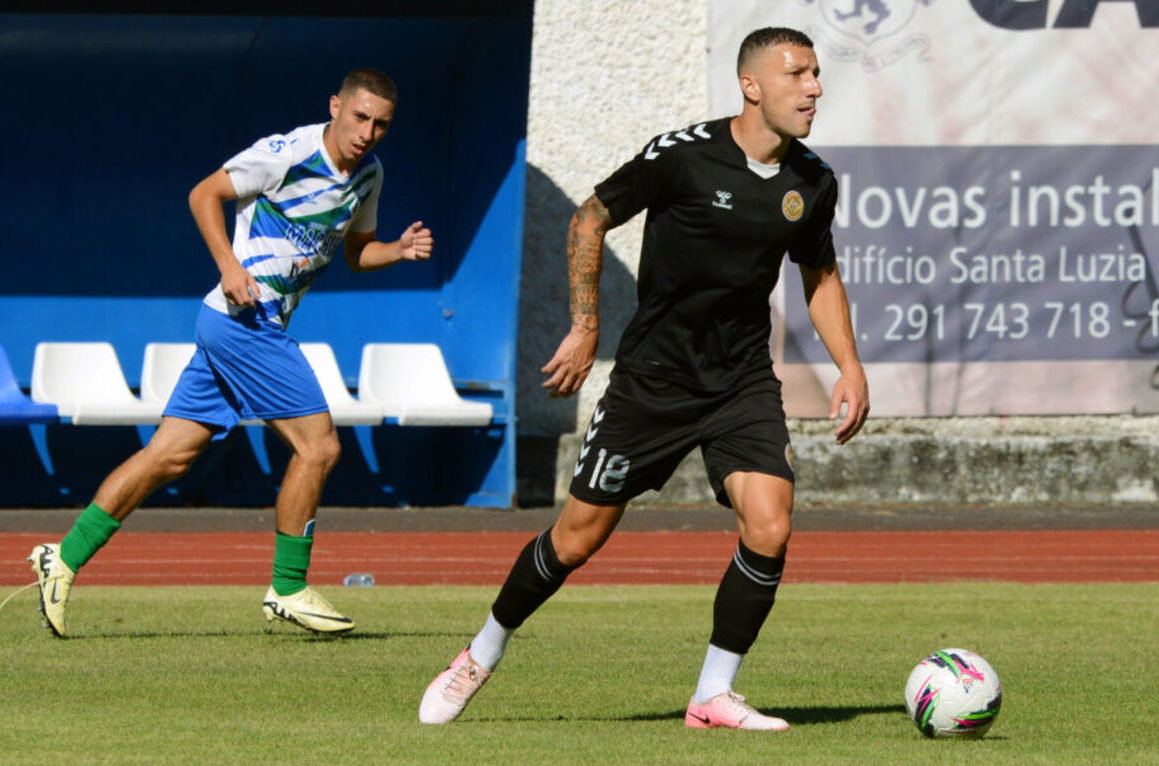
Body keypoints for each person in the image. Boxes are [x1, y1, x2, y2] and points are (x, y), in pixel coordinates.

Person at [419, 27, 869, 729]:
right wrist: (586, 324)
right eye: (797, 75)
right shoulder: (683, 157)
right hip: (652, 383)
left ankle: (713, 694)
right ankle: (479, 653)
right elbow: (590, 218)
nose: (814, 87)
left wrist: (850, 365)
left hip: (741, 382)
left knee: (770, 524)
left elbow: (820, 273)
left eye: (816, 74)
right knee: (576, 539)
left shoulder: (813, 181)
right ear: (751, 85)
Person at [28, 68, 433, 638]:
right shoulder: (287, 152)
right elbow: (204, 194)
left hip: (233, 326)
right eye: (360, 117)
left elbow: (356, 253)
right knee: (319, 448)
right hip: (247, 320)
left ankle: (61, 558)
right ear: (335, 106)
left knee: (168, 457)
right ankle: (288, 588)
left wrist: (397, 250)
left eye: (380, 124)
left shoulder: (369, 174)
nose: (367, 132)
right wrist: (228, 265)